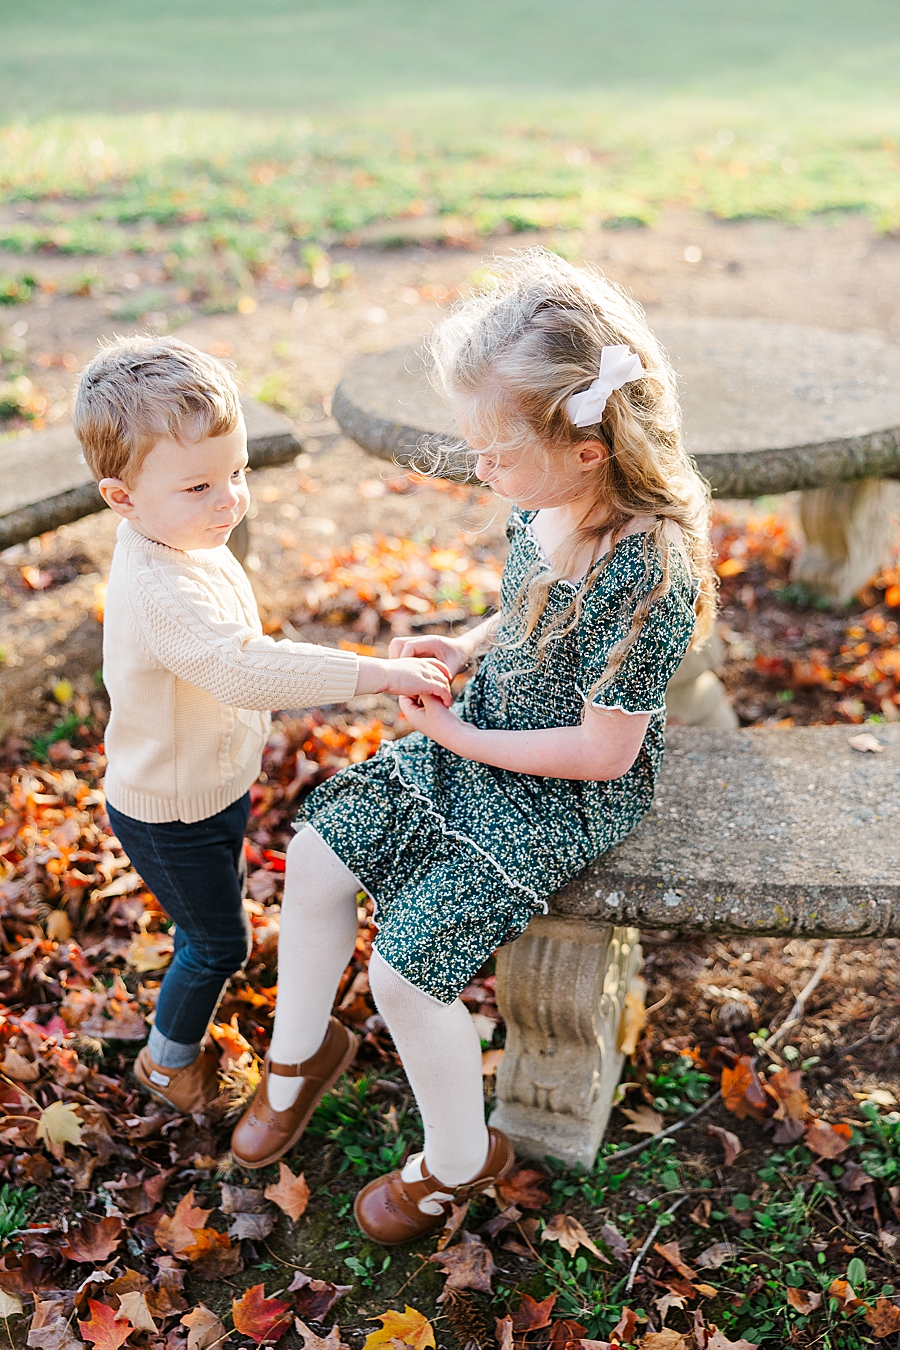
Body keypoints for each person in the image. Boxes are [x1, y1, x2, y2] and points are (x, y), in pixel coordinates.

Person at [231, 249, 716, 1242]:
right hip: (487, 727)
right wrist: (464, 643)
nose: (479, 471)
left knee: (405, 975)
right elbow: (525, 610)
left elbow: (604, 755)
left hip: (559, 787)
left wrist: (455, 733)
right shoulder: (544, 499)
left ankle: (460, 1157)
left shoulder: (651, 573)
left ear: (588, 449)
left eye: (494, 453)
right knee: (319, 854)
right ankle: (297, 1057)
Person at [74, 336, 451, 1115]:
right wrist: (374, 674)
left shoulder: (178, 535)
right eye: (201, 485)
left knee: (208, 922)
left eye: (237, 473)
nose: (230, 500)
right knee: (218, 943)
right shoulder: (159, 584)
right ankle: (165, 1063)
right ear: (123, 499)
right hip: (168, 809)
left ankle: (181, 1023)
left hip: (209, 789)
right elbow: (240, 666)